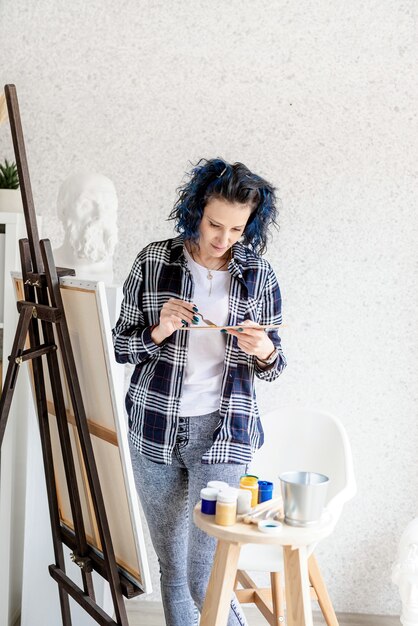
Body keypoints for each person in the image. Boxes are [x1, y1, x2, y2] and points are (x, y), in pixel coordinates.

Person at [112, 158, 286, 626]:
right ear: (195, 210)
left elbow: (275, 365)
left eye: (236, 229)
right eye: (214, 224)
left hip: (225, 431)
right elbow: (120, 346)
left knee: (205, 570)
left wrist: (265, 349)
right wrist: (158, 329)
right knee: (172, 568)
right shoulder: (153, 260)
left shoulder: (258, 275)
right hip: (154, 429)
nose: (223, 239)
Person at [53, 170, 118, 283]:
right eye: (86, 204)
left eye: (108, 205)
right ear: (62, 210)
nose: (100, 215)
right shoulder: (50, 263)